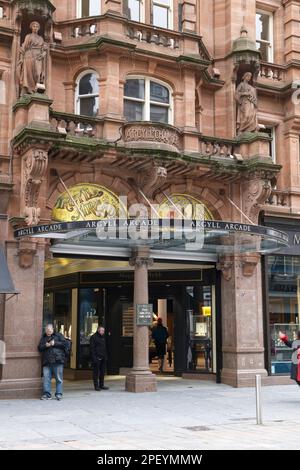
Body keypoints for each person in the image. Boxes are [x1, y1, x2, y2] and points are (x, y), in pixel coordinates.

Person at [38, 324, 67, 401]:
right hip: (47, 361)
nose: (48, 332)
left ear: (53, 329)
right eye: (47, 330)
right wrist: (45, 345)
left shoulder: (59, 335)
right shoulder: (43, 337)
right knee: (46, 379)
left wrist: (55, 343)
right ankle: (47, 394)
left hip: (57, 360)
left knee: (59, 379)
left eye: (49, 330)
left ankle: (58, 394)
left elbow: (65, 344)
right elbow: (39, 347)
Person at [17, 21, 47, 96]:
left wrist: (43, 54)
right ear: (31, 28)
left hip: (38, 57)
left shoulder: (41, 38)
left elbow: (44, 49)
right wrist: (21, 58)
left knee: (37, 73)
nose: (35, 28)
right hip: (29, 55)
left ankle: (36, 89)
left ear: (39, 28)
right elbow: (23, 48)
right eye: (34, 26)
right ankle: (29, 90)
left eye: (37, 26)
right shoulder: (28, 36)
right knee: (28, 73)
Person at [90, 326, 109, 391]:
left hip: (103, 357)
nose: (103, 332)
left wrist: (105, 357)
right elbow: (92, 349)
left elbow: (104, 348)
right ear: (98, 330)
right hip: (97, 358)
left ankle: (101, 385)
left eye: (103, 331)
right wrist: (94, 358)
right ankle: (96, 386)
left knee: (102, 372)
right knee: (96, 372)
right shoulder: (93, 337)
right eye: (101, 330)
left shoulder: (103, 337)